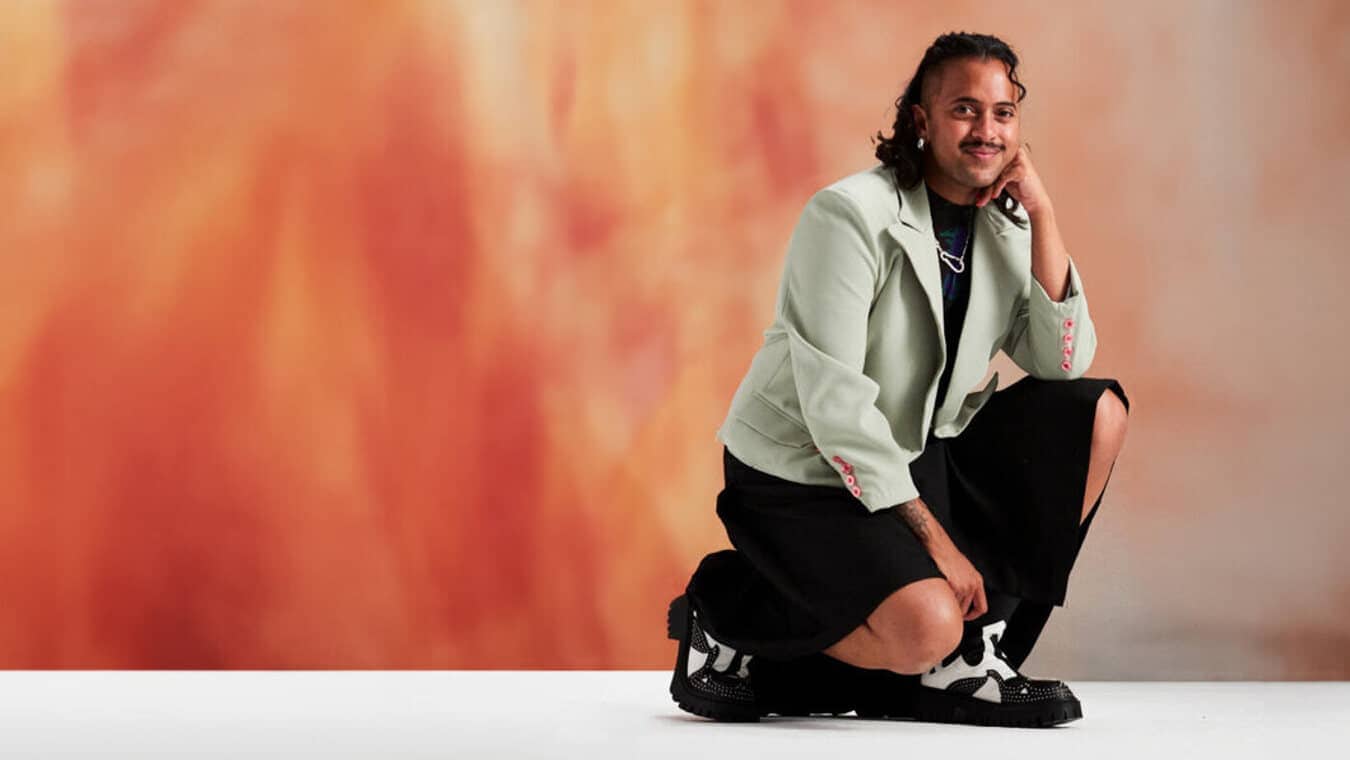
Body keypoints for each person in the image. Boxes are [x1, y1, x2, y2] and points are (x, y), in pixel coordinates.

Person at [666, 31, 1130, 728]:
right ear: (921, 119)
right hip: (804, 469)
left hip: (913, 453)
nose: (987, 130)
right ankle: (731, 615)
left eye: (1003, 113)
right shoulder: (849, 215)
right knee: (925, 627)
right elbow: (835, 407)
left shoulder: (1004, 227)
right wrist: (939, 544)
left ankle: (939, 663)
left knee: (1095, 413)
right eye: (964, 109)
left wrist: (1042, 213)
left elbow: (1061, 361)